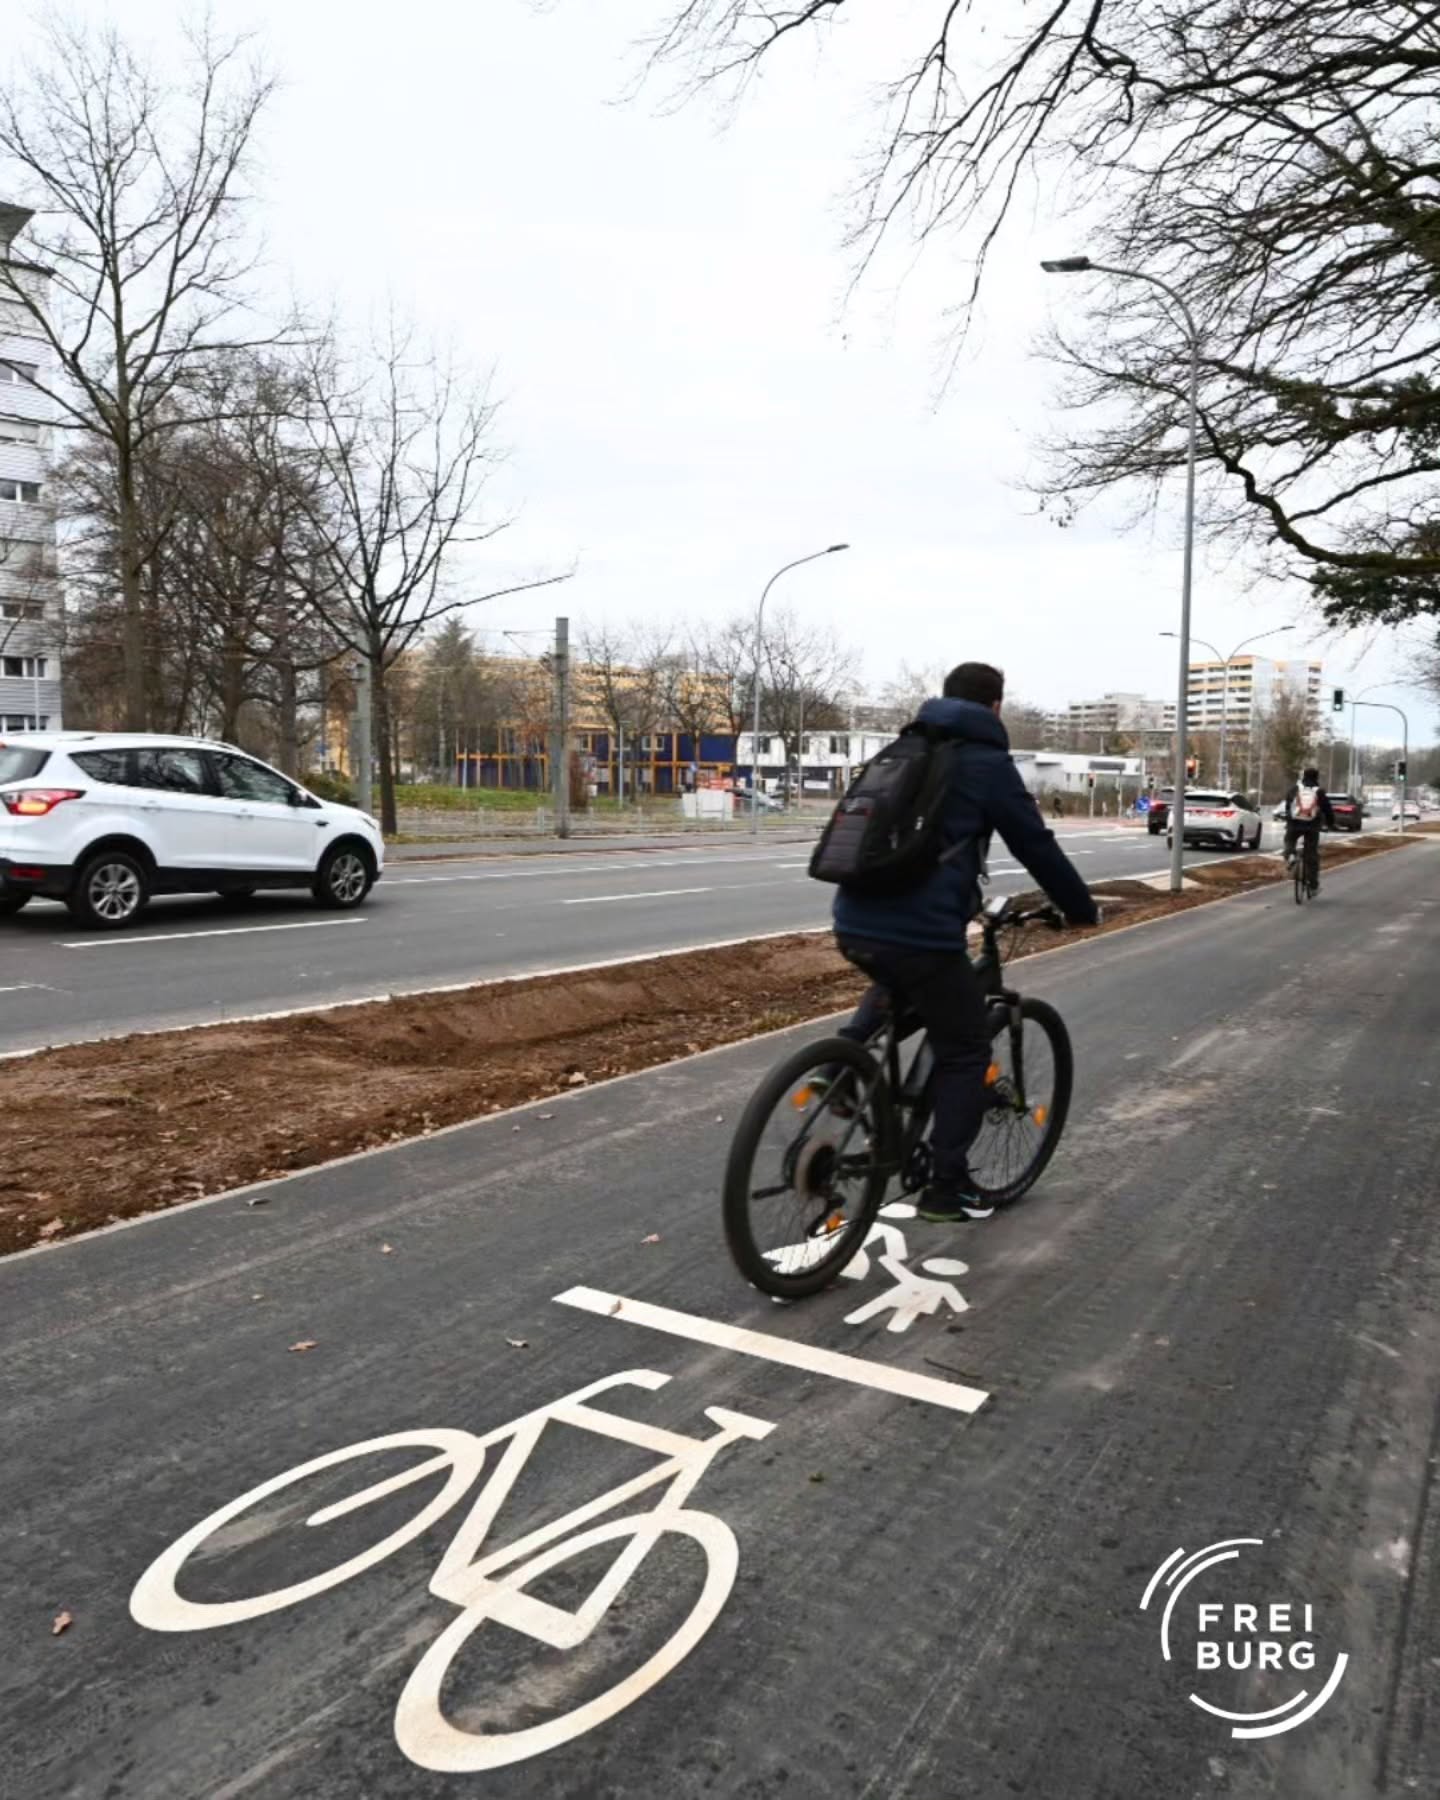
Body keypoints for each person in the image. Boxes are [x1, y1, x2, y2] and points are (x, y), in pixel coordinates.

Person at [828, 662, 1098, 1224]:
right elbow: (1035, 845)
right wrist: (1080, 908)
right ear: (995, 708)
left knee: (898, 978)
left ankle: (843, 1062)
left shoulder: (905, 748)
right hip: (922, 933)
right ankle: (944, 1187)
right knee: (967, 1049)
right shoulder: (986, 763)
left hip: (851, 916)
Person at [1282, 766, 1335, 886]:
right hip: (1312, 825)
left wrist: (1288, 819)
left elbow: (1288, 805)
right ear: (1317, 777)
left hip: (1294, 823)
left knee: (1289, 840)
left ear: (1303, 776)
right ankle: (1313, 883)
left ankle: (1290, 855)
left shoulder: (1295, 789)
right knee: (1311, 854)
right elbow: (1328, 810)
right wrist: (1330, 824)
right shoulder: (1319, 791)